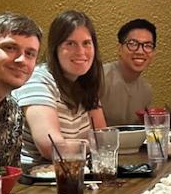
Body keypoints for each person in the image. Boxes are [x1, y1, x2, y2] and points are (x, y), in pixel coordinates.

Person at [14, 10, 107, 163]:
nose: (81, 52)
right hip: (35, 180)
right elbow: (52, 148)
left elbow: (102, 137)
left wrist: (98, 143)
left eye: (86, 43)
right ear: (55, 48)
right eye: (70, 43)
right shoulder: (38, 80)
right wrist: (95, 144)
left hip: (75, 174)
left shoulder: (85, 83)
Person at [0, 12, 43, 167]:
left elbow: (8, 175)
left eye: (30, 54)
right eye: (10, 48)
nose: (22, 60)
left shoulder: (13, 111)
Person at [100, 19, 156, 126]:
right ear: (120, 49)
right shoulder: (100, 78)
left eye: (148, 46)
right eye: (133, 44)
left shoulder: (146, 90)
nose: (140, 51)